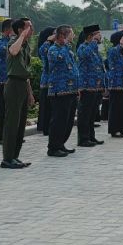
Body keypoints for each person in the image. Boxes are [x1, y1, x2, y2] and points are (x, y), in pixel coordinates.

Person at [2, 17, 36, 169]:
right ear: (21, 29)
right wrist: (21, 36)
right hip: (14, 84)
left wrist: (29, 93)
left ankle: (15, 156)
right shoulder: (14, 41)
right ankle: (7, 159)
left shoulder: (26, 45)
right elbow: (13, 51)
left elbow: (26, 72)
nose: (32, 29)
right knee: (12, 124)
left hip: (22, 84)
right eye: (29, 27)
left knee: (20, 124)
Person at [46, 26, 80, 157]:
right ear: (62, 36)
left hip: (71, 90)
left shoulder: (68, 50)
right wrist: (65, 46)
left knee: (68, 120)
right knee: (58, 120)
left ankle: (61, 144)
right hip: (59, 90)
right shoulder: (53, 50)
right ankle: (53, 147)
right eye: (71, 34)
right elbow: (60, 59)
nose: (73, 36)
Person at [76, 25, 105, 147]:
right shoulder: (83, 47)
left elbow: (99, 67)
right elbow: (85, 55)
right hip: (86, 86)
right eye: (97, 34)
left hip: (95, 86)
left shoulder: (95, 49)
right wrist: (93, 42)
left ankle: (91, 136)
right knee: (85, 113)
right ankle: (83, 139)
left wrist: (103, 84)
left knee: (92, 113)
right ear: (90, 36)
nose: (100, 36)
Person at [105, 30, 123, 138]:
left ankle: (121, 128)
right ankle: (114, 130)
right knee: (115, 108)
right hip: (116, 83)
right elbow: (113, 59)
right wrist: (120, 44)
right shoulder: (113, 50)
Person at [0, 19, 14, 143]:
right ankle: (2, 136)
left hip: (13, 80)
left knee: (12, 109)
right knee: (2, 109)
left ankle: (11, 135)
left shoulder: (15, 42)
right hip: (2, 80)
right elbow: (1, 52)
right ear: (7, 30)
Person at [36, 27, 56, 136]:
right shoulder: (46, 47)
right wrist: (48, 41)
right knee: (46, 107)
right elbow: (43, 52)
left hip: (55, 82)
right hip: (47, 81)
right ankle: (45, 127)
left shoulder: (55, 47)